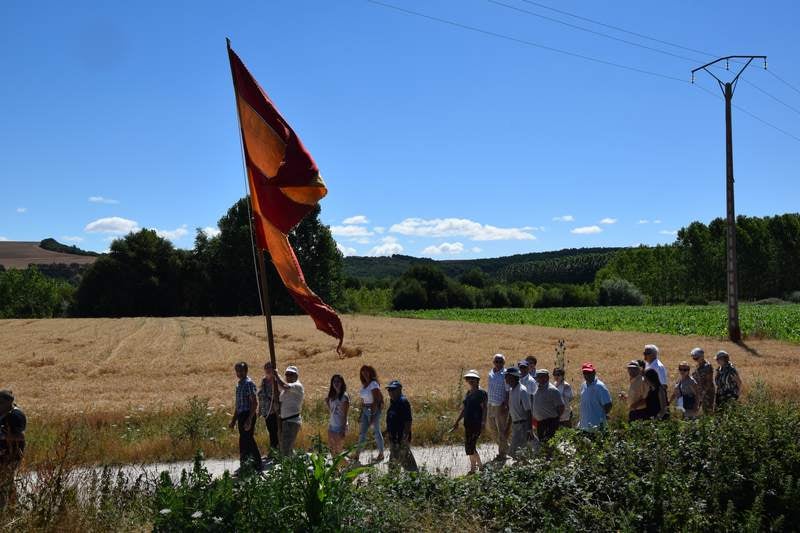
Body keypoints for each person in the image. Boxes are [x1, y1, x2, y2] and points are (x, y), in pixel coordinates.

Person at [228, 362, 263, 473]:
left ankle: (257, 464)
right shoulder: (239, 384)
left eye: (241, 371)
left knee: (248, 439)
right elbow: (238, 405)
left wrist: (249, 419)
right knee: (244, 440)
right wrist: (233, 420)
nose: (239, 373)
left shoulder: (248, 383)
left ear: (246, 371)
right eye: (237, 371)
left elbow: (254, 403)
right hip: (241, 415)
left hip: (248, 414)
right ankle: (246, 464)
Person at [452, 369, 487, 474]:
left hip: (476, 423)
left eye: (473, 379)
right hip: (468, 423)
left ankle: (479, 467)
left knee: (471, 445)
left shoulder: (481, 393)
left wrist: (483, 423)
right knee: (469, 446)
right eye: (469, 379)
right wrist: (457, 421)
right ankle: (473, 467)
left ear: (477, 380)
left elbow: (485, 408)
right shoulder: (468, 392)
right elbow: (465, 408)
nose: (470, 381)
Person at [385, 380, 418, 472]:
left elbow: (408, 421)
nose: (390, 392)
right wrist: (385, 432)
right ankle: (392, 481)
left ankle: (416, 480)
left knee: (408, 464)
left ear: (399, 390)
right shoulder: (393, 402)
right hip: (394, 439)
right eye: (389, 390)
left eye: (393, 390)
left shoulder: (403, 402)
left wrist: (405, 436)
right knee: (394, 463)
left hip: (400, 439)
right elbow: (392, 420)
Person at [0, 390, 25, 509]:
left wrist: (3, 436)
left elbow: (21, 437)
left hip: (12, 455)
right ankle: (11, 507)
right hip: (3, 454)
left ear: (8, 402)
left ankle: (11, 507)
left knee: (6, 480)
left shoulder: (15, 416)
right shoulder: (3, 412)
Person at [356, 365, 385, 462]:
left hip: (374, 409)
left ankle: (381, 454)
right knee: (362, 433)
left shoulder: (373, 384)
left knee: (376, 431)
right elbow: (364, 401)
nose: (364, 373)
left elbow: (376, 400)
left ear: (370, 372)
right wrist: (361, 414)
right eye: (362, 371)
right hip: (365, 409)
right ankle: (357, 454)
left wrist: (373, 415)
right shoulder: (364, 385)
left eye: (366, 371)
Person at [275, 365, 304, 456]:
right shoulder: (286, 389)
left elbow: (283, 385)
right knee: (285, 447)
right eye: (287, 374)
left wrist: (276, 375)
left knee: (286, 449)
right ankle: (295, 465)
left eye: (291, 374)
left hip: (292, 421)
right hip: (285, 421)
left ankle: (291, 467)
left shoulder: (297, 386)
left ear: (296, 376)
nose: (288, 376)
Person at [505, 367, 533, 459]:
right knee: (518, 452)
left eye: (507, 376)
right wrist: (508, 426)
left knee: (516, 451)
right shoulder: (511, 391)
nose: (506, 379)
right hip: (516, 425)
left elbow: (528, 411)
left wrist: (529, 429)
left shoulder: (522, 391)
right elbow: (511, 410)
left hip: (523, 425)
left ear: (513, 377)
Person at [487, 353, 510, 461]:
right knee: (492, 428)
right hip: (491, 404)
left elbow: (508, 391)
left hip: (500, 405)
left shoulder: (505, 374)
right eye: (496, 361)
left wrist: (505, 404)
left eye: (501, 361)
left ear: (504, 363)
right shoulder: (491, 373)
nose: (498, 363)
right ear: (493, 362)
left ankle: (502, 454)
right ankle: (506, 447)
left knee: (501, 430)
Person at [532, 369, 564, 445]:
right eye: (538, 377)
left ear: (547, 377)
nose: (540, 379)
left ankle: (550, 456)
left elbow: (561, 407)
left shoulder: (552, 390)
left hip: (550, 422)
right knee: (542, 443)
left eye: (543, 376)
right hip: (540, 422)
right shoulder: (536, 388)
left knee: (549, 444)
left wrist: (555, 419)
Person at [577, 362, 612, 432]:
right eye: (585, 373)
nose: (587, 375)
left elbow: (608, 405)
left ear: (594, 372)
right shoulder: (583, 385)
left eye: (589, 372)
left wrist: (600, 416)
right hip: (584, 426)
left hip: (597, 427)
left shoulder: (600, 386)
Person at [257, 361, 280, 455]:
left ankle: (276, 450)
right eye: (266, 368)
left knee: (275, 431)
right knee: (271, 431)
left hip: (274, 410)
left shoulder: (276, 380)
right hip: (266, 410)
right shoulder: (264, 380)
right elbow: (261, 394)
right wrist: (259, 410)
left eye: (269, 368)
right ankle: (273, 450)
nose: (267, 370)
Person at [326, 374, 350, 455]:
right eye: (334, 381)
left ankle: (348, 466)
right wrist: (327, 403)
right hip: (332, 425)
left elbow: (344, 415)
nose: (336, 383)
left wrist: (343, 429)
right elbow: (332, 411)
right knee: (332, 450)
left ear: (342, 383)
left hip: (340, 426)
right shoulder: (332, 396)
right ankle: (336, 468)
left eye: (338, 381)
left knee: (338, 452)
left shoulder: (344, 397)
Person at [691, 348, 715, 414]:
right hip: (699, 392)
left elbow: (709, 381)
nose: (695, 360)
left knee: (708, 412)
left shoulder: (707, 366)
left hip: (707, 393)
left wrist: (703, 393)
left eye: (696, 358)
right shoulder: (698, 366)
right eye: (694, 358)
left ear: (702, 356)